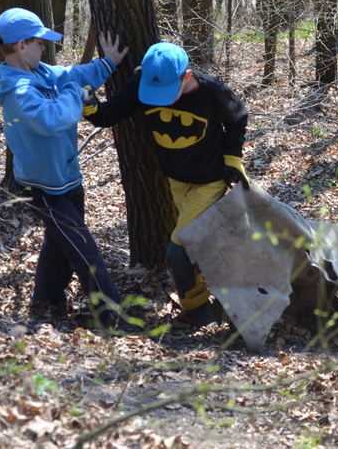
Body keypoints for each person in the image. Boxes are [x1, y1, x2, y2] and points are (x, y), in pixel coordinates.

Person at [83, 42, 249, 328]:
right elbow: (109, 115)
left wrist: (232, 158)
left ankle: (198, 309)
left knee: (178, 251)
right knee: (200, 245)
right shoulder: (142, 80)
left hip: (209, 181)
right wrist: (89, 103)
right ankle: (224, 298)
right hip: (175, 180)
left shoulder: (212, 91)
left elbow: (238, 117)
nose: (161, 100)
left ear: (186, 76)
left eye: (168, 92)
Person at [0, 7, 131, 331]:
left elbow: (71, 74)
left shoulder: (39, 72)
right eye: (40, 43)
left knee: (58, 242)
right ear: (22, 46)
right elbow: (52, 119)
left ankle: (47, 297)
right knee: (84, 250)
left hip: (65, 177)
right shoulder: (19, 92)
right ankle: (112, 318)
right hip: (42, 188)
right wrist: (74, 95)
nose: (45, 48)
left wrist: (108, 63)